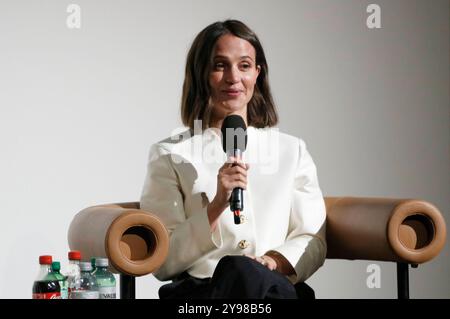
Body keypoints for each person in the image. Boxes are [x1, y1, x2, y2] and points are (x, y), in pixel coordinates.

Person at [140, 19, 326, 299]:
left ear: (257, 73)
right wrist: (215, 207)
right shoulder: (171, 154)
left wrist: (272, 261)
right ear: (201, 73)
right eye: (219, 65)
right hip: (204, 295)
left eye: (244, 65)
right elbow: (163, 261)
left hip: (275, 287)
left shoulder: (291, 150)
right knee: (239, 274)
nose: (233, 77)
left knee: (254, 280)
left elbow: (312, 237)